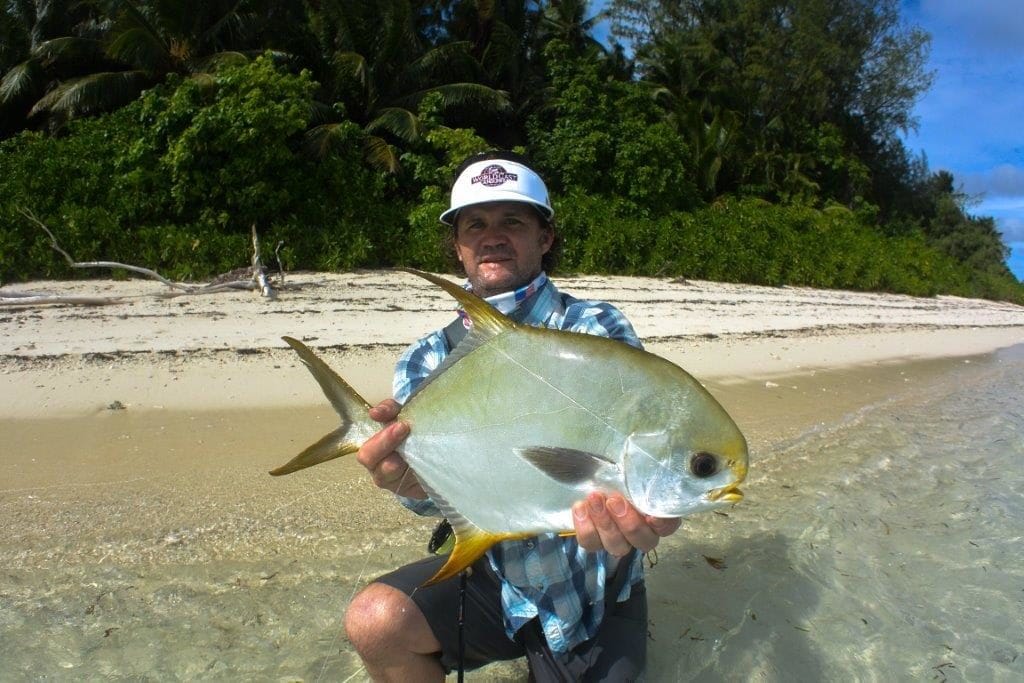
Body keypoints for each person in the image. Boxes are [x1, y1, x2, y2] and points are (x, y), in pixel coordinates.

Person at [344, 151, 681, 681]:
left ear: (545, 238)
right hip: (494, 577)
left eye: (512, 221)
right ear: (457, 246)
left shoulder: (595, 326)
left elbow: (637, 446)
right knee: (374, 621)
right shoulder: (426, 357)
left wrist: (654, 502)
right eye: (475, 224)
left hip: (591, 585)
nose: (492, 236)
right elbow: (433, 500)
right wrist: (409, 483)